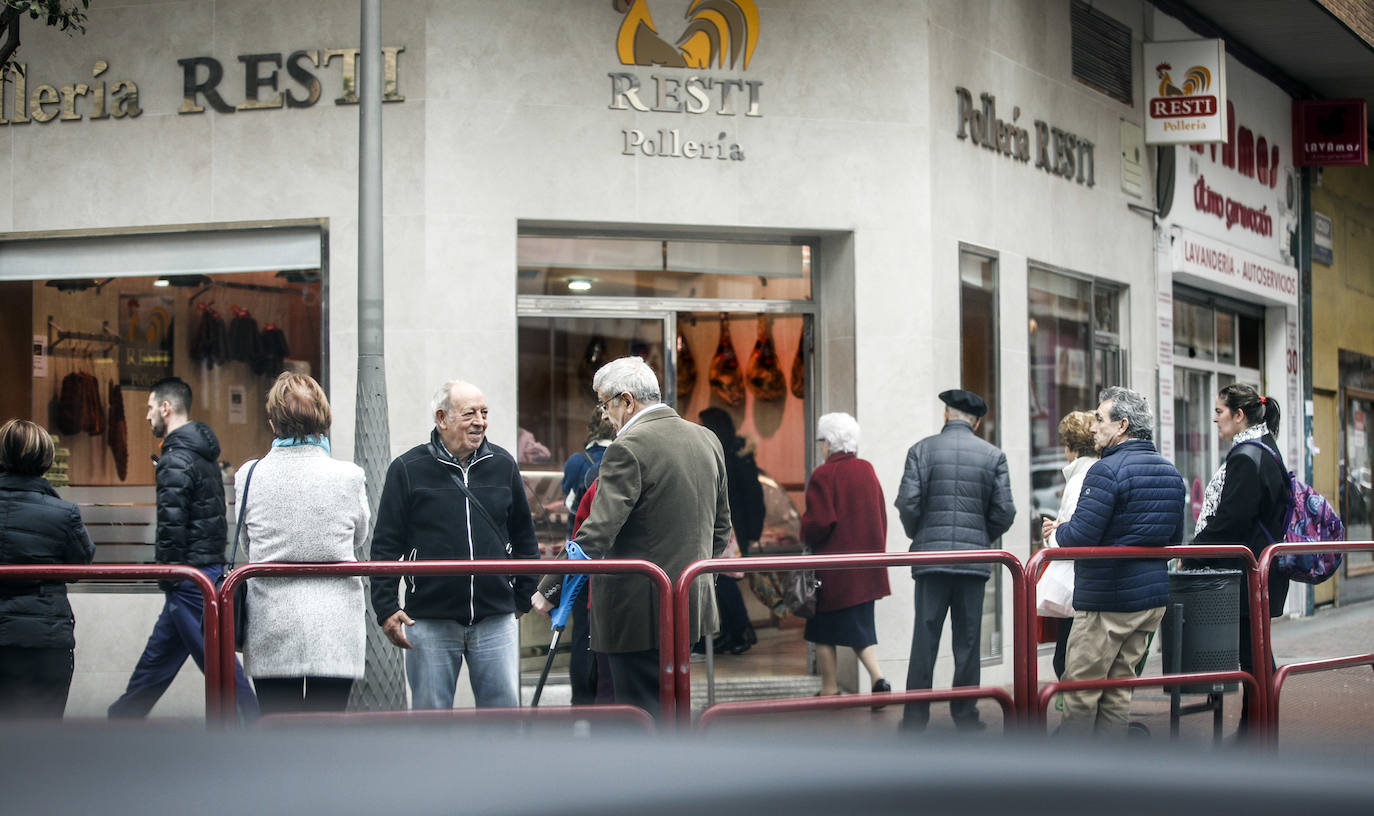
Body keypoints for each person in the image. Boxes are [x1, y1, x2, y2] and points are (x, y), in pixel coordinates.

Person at [532, 356, 730, 718]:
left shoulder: (627, 447)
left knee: (641, 717)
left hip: (635, 614)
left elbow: (596, 533)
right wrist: (694, 582)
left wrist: (549, 589)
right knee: (673, 709)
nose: (605, 416)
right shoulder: (707, 439)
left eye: (605, 404)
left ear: (627, 400)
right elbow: (721, 528)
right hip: (688, 605)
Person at [369, 380, 539, 709]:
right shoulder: (407, 469)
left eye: (484, 412)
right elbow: (386, 543)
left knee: (502, 720)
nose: (480, 421)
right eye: (469, 413)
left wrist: (523, 596)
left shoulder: (503, 465)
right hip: (430, 620)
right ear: (442, 418)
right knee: (431, 725)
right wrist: (386, 607)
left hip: (495, 619)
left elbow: (523, 536)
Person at [108, 378, 259, 720]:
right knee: (156, 664)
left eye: (149, 408)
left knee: (221, 670)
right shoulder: (200, 454)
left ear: (166, 407)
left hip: (189, 580)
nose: (147, 416)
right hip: (197, 574)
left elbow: (172, 524)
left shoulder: (177, 458)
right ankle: (120, 721)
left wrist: (169, 575)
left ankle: (254, 729)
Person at [1047, 386, 1185, 736]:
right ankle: (1111, 771)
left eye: (1099, 418)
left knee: (1080, 691)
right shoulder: (1170, 472)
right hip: (1150, 598)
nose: (1093, 427)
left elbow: (1079, 537)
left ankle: (1075, 778)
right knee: (1119, 689)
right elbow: (1173, 538)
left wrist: (1056, 533)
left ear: (1122, 425)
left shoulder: (1105, 471)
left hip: (1107, 598)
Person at [233, 373, 369, 715]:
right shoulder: (349, 475)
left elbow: (248, 543)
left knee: (279, 729)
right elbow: (360, 536)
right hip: (336, 621)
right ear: (323, 419)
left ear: (272, 422)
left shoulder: (249, 475)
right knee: (327, 729)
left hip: (272, 618)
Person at [895, 388, 1015, 732]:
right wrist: (981, 536)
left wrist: (921, 534)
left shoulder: (920, 450)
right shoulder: (994, 456)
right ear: (976, 422)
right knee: (968, 642)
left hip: (931, 561)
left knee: (924, 639)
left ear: (946, 415)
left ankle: (914, 718)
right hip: (972, 561)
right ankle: (965, 716)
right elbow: (1004, 511)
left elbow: (907, 504)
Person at [1188, 384, 1290, 738]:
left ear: (1239, 415)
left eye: (1219, 411)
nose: (1214, 418)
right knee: (1256, 653)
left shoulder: (1246, 456)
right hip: (1261, 569)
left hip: (1250, 573)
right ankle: (1255, 730)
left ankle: (1256, 735)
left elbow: (1232, 519)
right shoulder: (1263, 447)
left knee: (1254, 656)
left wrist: (1196, 549)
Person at [0, 419, 96, 718]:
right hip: (44, 639)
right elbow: (80, 565)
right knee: (40, 741)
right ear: (46, 460)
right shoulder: (62, 513)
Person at [802, 412, 891, 705]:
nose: (821, 447)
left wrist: (802, 530)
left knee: (822, 631)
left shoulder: (823, 475)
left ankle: (829, 688)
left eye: (821, 441)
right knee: (859, 630)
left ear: (828, 442)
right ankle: (878, 679)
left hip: (834, 572)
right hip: (866, 570)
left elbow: (819, 522)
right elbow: (881, 516)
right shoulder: (867, 469)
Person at [698, 407, 765, 655]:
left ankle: (741, 631)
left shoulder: (733, 455)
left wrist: (753, 532)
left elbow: (752, 495)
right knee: (720, 581)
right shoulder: (727, 453)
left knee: (724, 582)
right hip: (726, 530)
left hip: (733, 531)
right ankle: (731, 631)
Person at [560, 410, 615, 705]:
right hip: (617, 563)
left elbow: (571, 507)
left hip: (582, 557)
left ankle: (582, 700)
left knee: (582, 632)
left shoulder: (578, 461)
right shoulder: (630, 457)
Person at [1039, 411, 1099, 680]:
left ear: (1070, 447)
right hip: (1089, 581)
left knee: (1066, 659)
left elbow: (1073, 534)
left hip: (1079, 583)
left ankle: (1074, 719)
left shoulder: (1078, 479)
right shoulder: (1097, 471)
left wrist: (1051, 534)